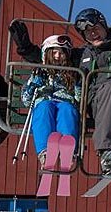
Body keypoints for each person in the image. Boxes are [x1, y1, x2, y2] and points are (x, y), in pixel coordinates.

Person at [9, 8, 111, 210]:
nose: (92, 33)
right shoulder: (83, 54)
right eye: (87, 32)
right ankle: (108, 151)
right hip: (102, 99)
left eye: (95, 28)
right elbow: (54, 60)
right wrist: (26, 48)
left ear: (104, 25)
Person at [21, 34, 81, 167]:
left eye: (61, 53)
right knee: (44, 107)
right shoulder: (38, 72)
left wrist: (77, 86)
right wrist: (33, 86)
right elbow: (26, 100)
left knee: (67, 110)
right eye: (54, 52)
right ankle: (45, 151)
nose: (58, 56)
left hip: (65, 101)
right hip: (44, 100)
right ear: (46, 53)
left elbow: (79, 100)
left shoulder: (71, 73)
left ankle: (68, 149)